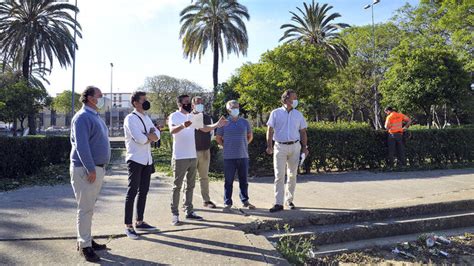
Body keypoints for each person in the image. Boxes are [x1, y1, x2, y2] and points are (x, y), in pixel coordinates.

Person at [168, 94, 225, 225]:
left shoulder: (193, 116)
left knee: (190, 185)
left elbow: (204, 128)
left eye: (189, 102)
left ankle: (189, 211)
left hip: (192, 155)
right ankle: (175, 214)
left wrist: (217, 124)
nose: (189, 104)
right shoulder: (174, 116)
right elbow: (172, 130)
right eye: (186, 102)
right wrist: (183, 125)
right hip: (180, 156)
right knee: (177, 186)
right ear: (180, 104)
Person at [70, 86, 110, 262]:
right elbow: (82, 145)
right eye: (100, 96)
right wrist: (90, 168)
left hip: (96, 168)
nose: (103, 99)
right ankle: (84, 246)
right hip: (87, 169)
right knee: (85, 208)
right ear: (90, 98)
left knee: (89, 208)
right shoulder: (82, 117)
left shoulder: (94, 116)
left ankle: (86, 239)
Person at [123, 91, 160, 239]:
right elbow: (139, 139)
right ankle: (128, 225)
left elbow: (157, 135)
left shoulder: (146, 117)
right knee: (132, 192)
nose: (146, 102)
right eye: (144, 100)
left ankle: (140, 221)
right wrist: (150, 135)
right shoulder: (130, 119)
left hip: (147, 159)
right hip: (135, 159)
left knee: (143, 191)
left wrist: (151, 135)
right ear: (135, 103)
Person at [266, 90, 309, 213]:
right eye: (294, 98)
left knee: (292, 175)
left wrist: (305, 147)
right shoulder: (275, 113)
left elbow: (303, 132)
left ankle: (289, 201)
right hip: (280, 147)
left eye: (296, 97)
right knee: (279, 175)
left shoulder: (298, 114)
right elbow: (269, 130)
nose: (296, 100)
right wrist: (269, 146)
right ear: (286, 99)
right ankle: (278, 203)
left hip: (295, 147)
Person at [216, 100, 255, 212]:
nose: (235, 109)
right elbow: (218, 138)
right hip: (229, 157)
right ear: (228, 110)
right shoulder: (223, 123)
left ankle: (245, 201)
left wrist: (244, 144)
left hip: (243, 155)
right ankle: (227, 202)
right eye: (233, 107)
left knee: (244, 180)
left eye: (237, 107)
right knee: (228, 181)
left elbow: (250, 136)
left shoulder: (244, 122)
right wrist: (226, 145)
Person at [182, 96, 218, 208]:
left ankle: (206, 200)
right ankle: (186, 202)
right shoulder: (188, 117)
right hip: (192, 152)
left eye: (201, 103)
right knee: (189, 179)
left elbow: (211, 134)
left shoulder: (208, 118)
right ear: (192, 105)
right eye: (197, 103)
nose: (200, 105)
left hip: (205, 150)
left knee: (204, 177)